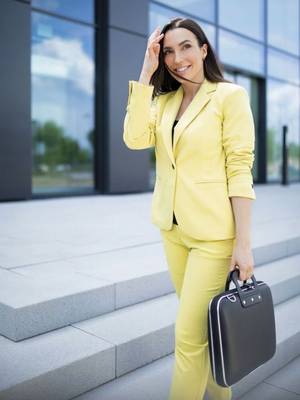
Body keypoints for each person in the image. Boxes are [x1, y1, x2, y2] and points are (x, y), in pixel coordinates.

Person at [123, 17, 256, 400]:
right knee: (204, 333)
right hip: (173, 230)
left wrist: (243, 244)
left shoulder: (229, 96)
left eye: (185, 47)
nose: (177, 57)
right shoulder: (164, 102)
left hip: (214, 237)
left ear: (203, 49)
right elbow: (134, 139)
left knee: (187, 338)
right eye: (168, 51)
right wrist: (146, 73)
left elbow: (239, 168)